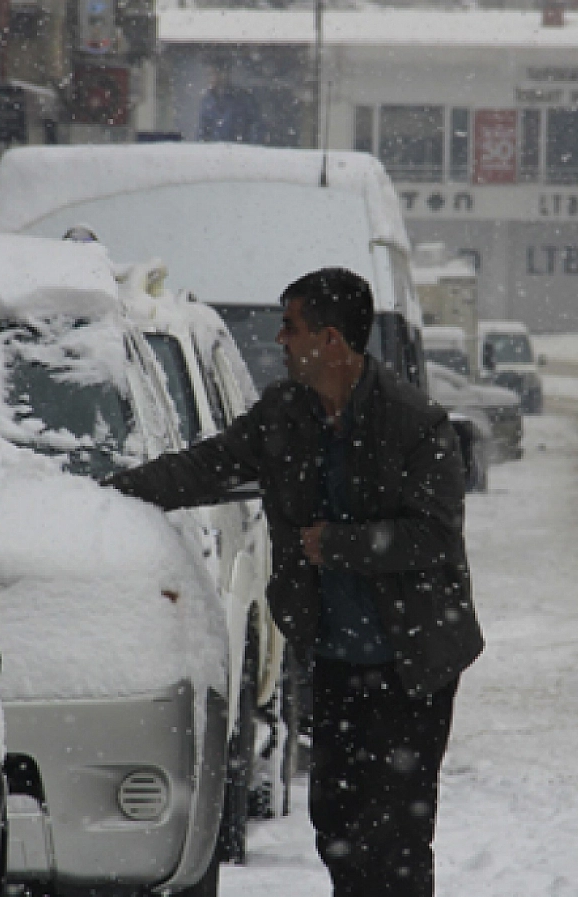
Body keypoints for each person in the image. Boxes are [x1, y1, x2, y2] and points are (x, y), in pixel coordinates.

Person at [105, 267, 483, 897]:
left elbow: (435, 537)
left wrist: (339, 543)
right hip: (336, 660)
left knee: (396, 836)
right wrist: (108, 494)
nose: (280, 339)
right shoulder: (288, 414)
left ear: (332, 340)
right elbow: (206, 467)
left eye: (292, 326)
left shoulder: (415, 422)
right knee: (336, 822)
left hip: (413, 665)